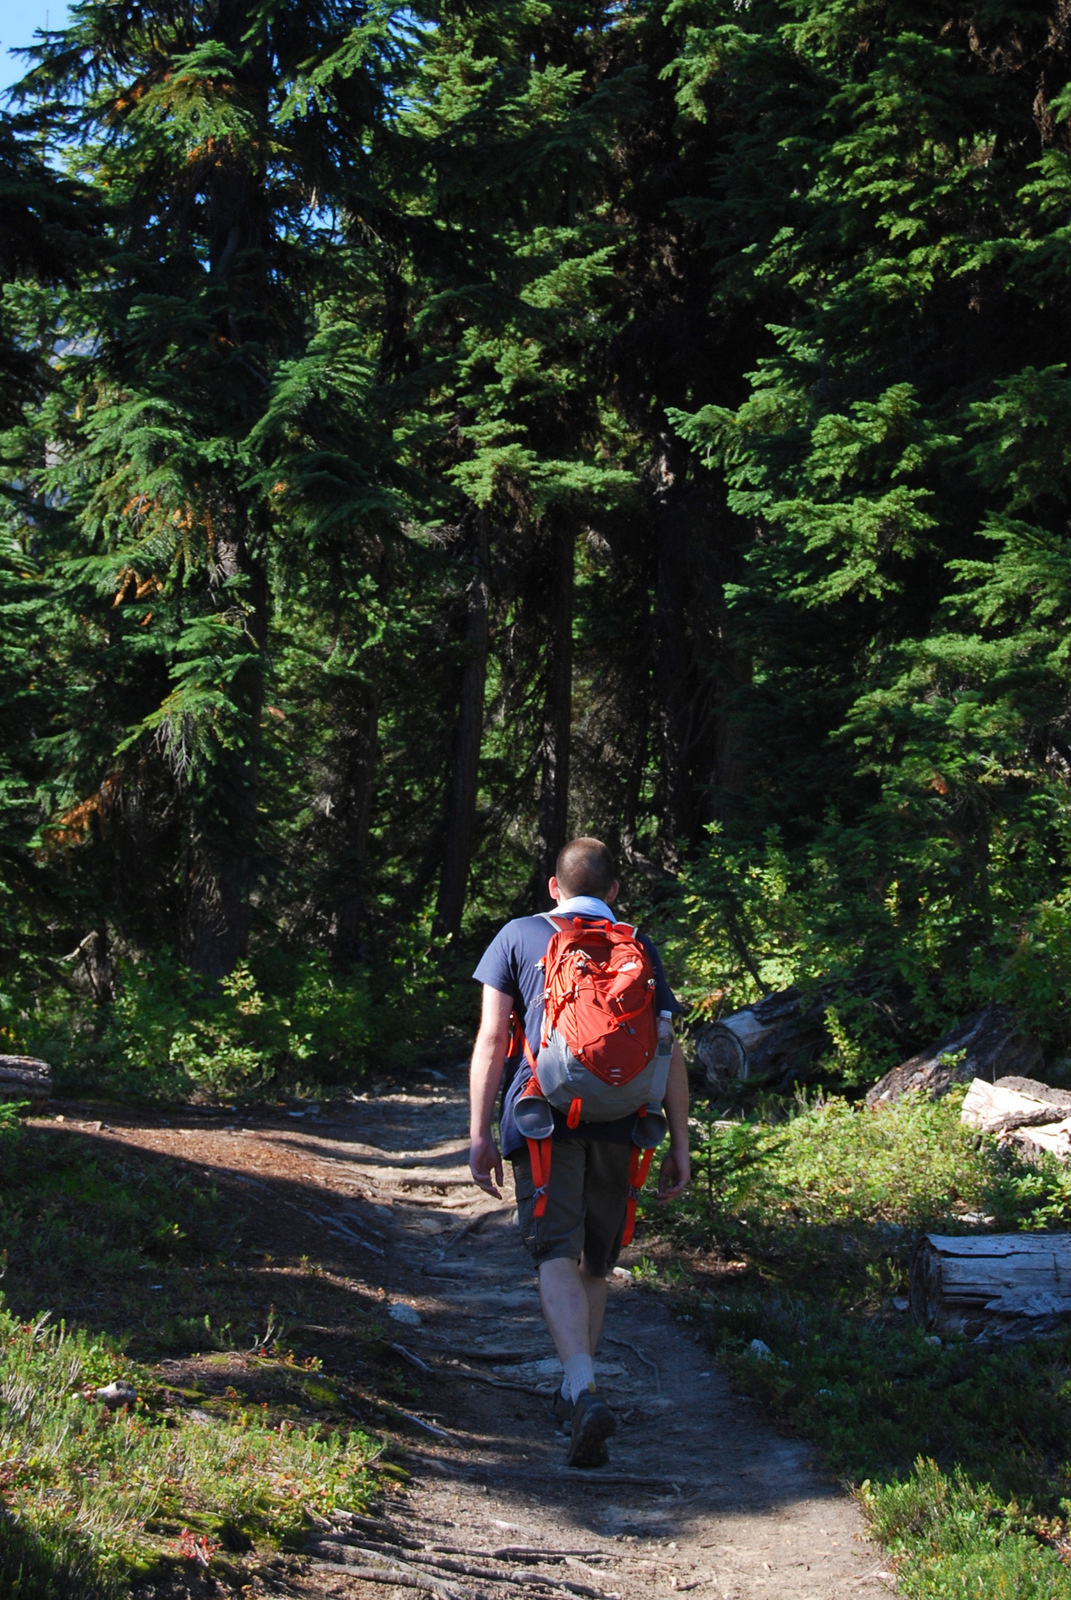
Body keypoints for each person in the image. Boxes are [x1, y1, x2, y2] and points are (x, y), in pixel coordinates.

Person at [468, 836, 690, 1468]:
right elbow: (668, 1048)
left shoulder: (516, 936)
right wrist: (680, 1139)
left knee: (554, 1252)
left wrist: (481, 1132)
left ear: (552, 887)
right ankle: (578, 1388)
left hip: (543, 1120)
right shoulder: (637, 946)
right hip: (624, 1121)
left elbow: (490, 1039)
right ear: (615, 890)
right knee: (596, 1258)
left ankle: (580, 1385)